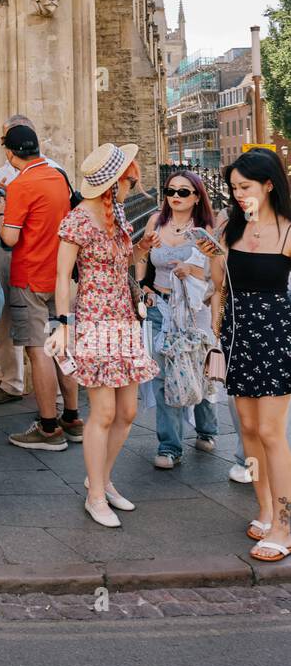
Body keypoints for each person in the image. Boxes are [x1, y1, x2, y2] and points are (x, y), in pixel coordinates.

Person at [51, 143, 158, 527]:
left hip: (124, 319)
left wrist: (142, 247)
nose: (133, 185)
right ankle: (95, 495)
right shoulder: (78, 219)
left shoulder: (118, 216)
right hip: (95, 318)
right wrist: (63, 324)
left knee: (127, 412)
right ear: (115, 182)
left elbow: (123, 263)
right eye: (131, 180)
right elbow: (62, 275)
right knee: (105, 411)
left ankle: (102, 479)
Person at [210, 149, 291, 563]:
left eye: (245, 187)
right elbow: (220, 287)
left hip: (277, 336)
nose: (238, 194)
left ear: (269, 184)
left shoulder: (289, 230)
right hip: (237, 336)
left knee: (272, 431)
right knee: (247, 428)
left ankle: (285, 521)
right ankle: (263, 507)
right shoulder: (231, 228)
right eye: (234, 187)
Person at [0, 123, 82, 451]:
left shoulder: (21, 184)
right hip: (58, 275)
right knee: (61, 346)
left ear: (10, 153)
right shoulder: (58, 176)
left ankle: (47, 428)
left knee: (38, 350)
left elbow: (10, 238)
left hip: (29, 276)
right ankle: (71, 418)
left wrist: (1, 212)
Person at [134, 171, 219, 470]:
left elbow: (216, 275)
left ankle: (207, 428)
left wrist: (191, 269)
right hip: (160, 307)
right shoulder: (155, 221)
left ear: (197, 196)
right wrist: (143, 282)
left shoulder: (206, 228)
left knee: (200, 371)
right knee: (162, 377)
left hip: (195, 311)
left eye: (184, 192)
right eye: (171, 190)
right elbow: (140, 256)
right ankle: (169, 447)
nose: (176, 196)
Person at [0, 115, 63, 404]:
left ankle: (49, 411)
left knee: (37, 343)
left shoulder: (43, 173)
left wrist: (5, 210)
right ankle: (14, 383)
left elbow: (9, 235)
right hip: (38, 262)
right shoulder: (12, 173)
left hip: (30, 262)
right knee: (9, 322)